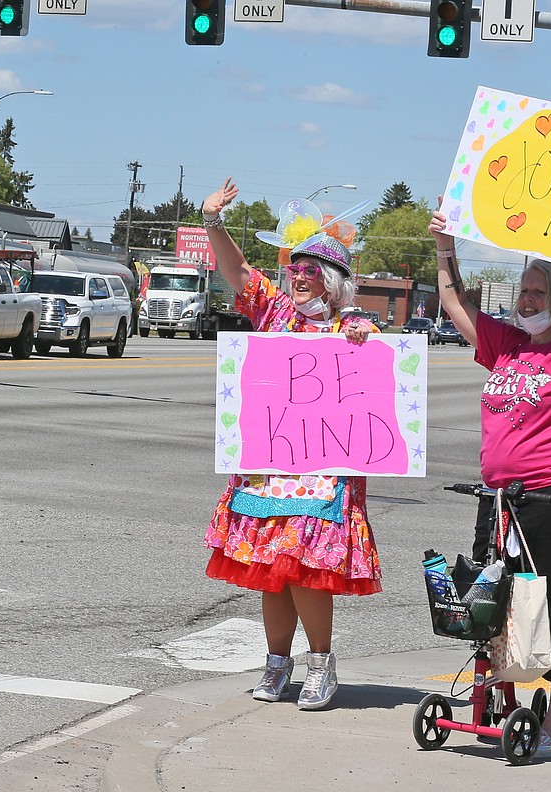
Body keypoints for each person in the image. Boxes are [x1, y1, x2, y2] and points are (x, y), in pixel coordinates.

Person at [430, 205, 551, 761]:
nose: (527, 300)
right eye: (524, 291)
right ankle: (502, 701)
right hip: (499, 498)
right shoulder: (507, 345)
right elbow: (452, 302)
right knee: (496, 605)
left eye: (538, 293)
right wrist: (446, 246)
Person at [200, 178, 381, 711]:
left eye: (309, 272)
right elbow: (236, 271)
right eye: (292, 270)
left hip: (323, 472)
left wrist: (361, 334)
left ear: (329, 281)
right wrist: (213, 221)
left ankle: (321, 665)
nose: (297, 278)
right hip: (267, 466)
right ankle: (276, 664)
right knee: (271, 574)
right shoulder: (274, 311)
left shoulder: (350, 326)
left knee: (305, 567)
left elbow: (369, 363)